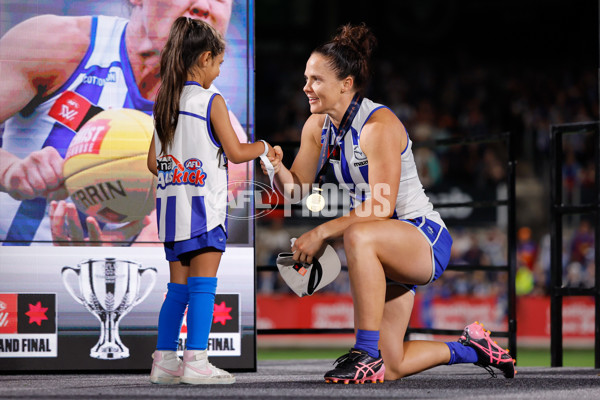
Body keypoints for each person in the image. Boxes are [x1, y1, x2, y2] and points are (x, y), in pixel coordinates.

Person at [262, 23, 515, 383]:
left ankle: (365, 354)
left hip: (421, 238)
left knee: (358, 235)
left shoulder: (377, 126)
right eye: (306, 78)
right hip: (384, 250)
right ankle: (473, 348)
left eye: (316, 79)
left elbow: (380, 206)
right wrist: (276, 167)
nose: (306, 87)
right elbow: (295, 192)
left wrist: (321, 233)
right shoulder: (316, 126)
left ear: (346, 84)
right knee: (393, 366)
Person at [0, 0, 248, 246]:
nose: (206, 5)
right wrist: (9, 170)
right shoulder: (52, 43)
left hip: (111, 283)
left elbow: (158, 249)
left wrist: (110, 255)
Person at [147, 17, 273, 385]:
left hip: (171, 216)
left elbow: (153, 163)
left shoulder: (164, 102)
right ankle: (197, 362)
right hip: (202, 212)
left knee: (177, 290)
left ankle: (165, 361)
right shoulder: (210, 100)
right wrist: (264, 147)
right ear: (204, 58)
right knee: (203, 287)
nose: (218, 70)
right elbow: (236, 153)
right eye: (218, 62)